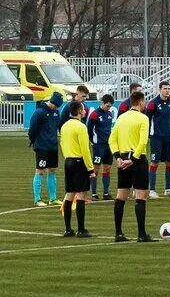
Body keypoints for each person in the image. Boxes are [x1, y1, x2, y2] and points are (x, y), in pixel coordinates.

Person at [109, 90, 157, 242]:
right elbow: (143, 141)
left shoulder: (121, 118)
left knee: (120, 197)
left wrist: (117, 157)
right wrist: (134, 159)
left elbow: (112, 140)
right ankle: (141, 234)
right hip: (137, 160)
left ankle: (118, 233)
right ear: (141, 102)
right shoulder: (143, 118)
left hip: (122, 160)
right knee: (141, 197)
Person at [59, 101, 93, 237]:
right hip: (79, 162)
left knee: (69, 194)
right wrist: (90, 169)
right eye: (83, 110)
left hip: (68, 161)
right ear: (79, 111)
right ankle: (81, 229)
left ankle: (68, 229)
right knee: (80, 195)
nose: (85, 112)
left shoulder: (64, 126)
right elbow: (85, 149)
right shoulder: (81, 127)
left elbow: (62, 144)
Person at [27, 92, 62, 206]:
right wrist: (34, 140)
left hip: (52, 146)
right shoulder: (40, 112)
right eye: (55, 105)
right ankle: (37, 199)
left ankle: (53, 198)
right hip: (42, 147)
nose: (56, 108)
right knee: (40, 171)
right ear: (51, 102)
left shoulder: (56, 112)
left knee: (52, 170)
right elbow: (32, 129)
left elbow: (58, 127)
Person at [145, 81, 170, 197]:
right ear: (159, 90)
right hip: (156, 137)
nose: (167, 90)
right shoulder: (153, 103)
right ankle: (152, 190)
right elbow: (147, 120)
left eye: (168, 88)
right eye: (165, 88)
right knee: (155, 162)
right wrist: (148, 135)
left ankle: (168, 189)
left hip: (168, 137)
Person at [86, 94, 117, 200]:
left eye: (110, 106)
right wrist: (93, 141)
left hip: (108, 145)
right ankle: (94, 193)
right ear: (102, 103)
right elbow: (89, 129)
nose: (109, 108)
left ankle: (106, 192)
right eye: (108, 106)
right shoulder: (94, 114)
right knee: (95, 168)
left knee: (107, 168)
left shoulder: (109, 114)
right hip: (98, 145)